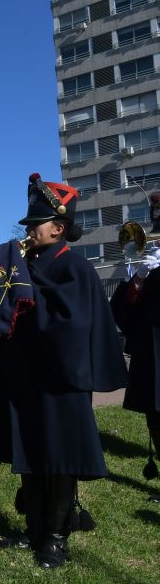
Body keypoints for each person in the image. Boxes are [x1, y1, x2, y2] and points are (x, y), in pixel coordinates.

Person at [0, 173, 128, 569]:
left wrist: (27, 295)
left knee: (59, 459)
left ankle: (57, 539)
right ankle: (34, 529)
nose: (29, 231)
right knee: (30, 454)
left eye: (36, 225)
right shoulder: (24, 266)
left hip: (61, 380)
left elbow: (71, 325)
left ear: (58, 228)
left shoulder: (73, 268)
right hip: (25, 377)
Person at [111, 192, 160, 503]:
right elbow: (125, 312)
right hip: (152, 352)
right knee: (155, 417)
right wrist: (138, 281)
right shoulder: (150, 263)